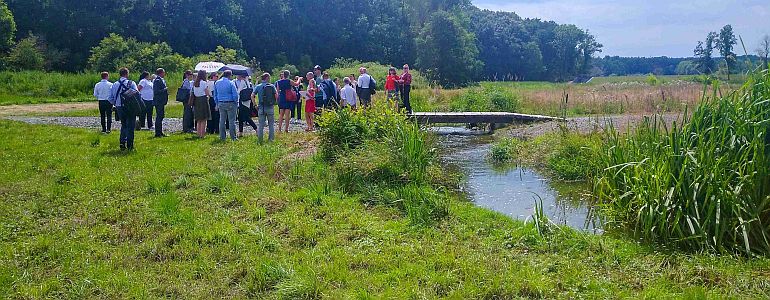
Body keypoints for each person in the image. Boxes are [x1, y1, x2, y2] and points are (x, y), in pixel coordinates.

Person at [108, 68, 139, 150]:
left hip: (119, 107)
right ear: (127, 74)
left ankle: (122, 142)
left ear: (120, 74)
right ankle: (130, 145)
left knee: (124, 124)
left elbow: (110, 98)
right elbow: (137, 93)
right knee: (131, 126)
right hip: (130, 107)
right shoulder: (131, 83)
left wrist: (116, 103)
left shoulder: (114, 84)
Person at [252, 73, 277, 143]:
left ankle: (260, 140)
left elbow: (252, 95)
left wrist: (255, 105)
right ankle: (271, 140)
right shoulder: (272, 86)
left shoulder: (258, 86)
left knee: (261, 125)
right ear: (267, 78)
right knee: (271, 124)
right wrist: (274, 102)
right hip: (270, 107)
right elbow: (276, 95)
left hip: (261, 107)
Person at [214, 70, 239, 141]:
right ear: (229, 75)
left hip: (221, 103)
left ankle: (222, 137)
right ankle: (233, 137)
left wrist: (217, 103)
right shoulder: (231, 83)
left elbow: (215, 94)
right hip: (230, 103)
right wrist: (236, 102)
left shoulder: (217, 83)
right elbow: (235, 94)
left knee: (222, 120)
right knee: (232, 121)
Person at [190, 70, 211, 138]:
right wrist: (209, 96)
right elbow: (207, 92)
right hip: (203, 99)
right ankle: (202, 134)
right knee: (204, 118)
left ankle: (198, 133)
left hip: (197, 100)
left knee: (198, 119)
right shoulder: (204, 83)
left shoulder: (195, 83)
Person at [153, 68, 169, 137]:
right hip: (158, 101)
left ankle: (160, 132)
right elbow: (156, 91)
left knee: (161, 116)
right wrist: (164, 89)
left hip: (161, 101)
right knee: (159, 117)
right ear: (161, 73)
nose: (164, 74)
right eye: (164, 72)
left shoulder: (161, 80)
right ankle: (158, 133)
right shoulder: (157, 80)